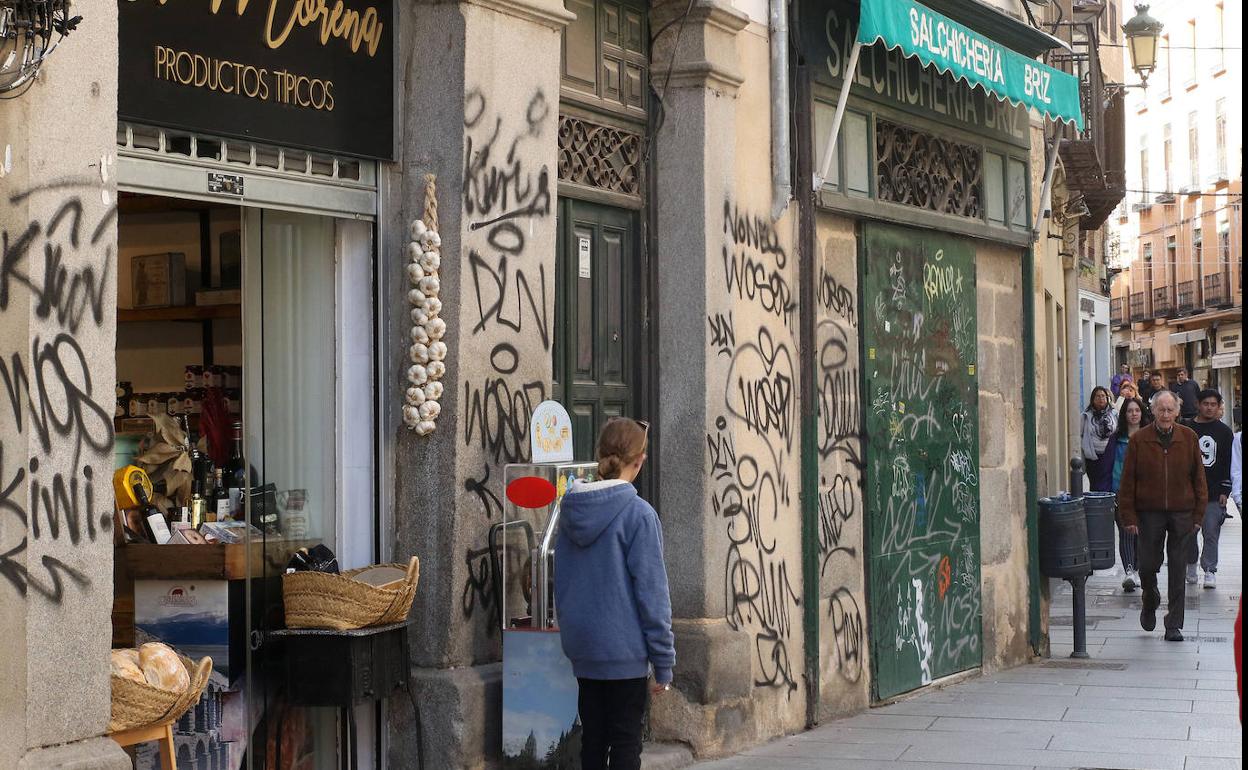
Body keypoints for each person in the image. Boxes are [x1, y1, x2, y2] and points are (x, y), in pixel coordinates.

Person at [554, 417, 674, 770]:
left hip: (585, 651)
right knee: (625, 743)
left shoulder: (570, 512)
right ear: (640, 460)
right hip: (624, 652)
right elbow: (653, 595)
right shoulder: (639, 516)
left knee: (593, 739)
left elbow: (562, 581)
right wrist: (663, 664)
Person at [1118, 390, 1208, 641]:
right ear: (1154, 411)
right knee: (1147, 564)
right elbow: (1127, 482)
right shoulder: (1139, 440)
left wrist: (1199, 514)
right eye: (1161, 410)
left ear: (1177, 412)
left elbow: (1199, 478)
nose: (1166, 414)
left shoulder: (1189, 437)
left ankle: (1173, 624)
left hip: (1182, 512)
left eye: (1170, 410)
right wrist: (1129, 516)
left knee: (1178, 567)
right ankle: (1150, 598)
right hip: (1149, 512)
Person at [1182, 390, 1235, 589]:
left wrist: (1225, 490)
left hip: (1213, 493)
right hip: (1188, 492)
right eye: (1206, 403)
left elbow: (1230, 462)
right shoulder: (1187, 428)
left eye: (1214, 404)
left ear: (1219, 405)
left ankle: (1210, 570)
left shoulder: (1224, 432)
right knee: (1188, 532)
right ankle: (1190, 565)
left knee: (1211, 532)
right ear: (1198, 404)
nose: (1210, 407)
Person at [1112, 397, 1146, 592]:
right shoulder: (1116, 439)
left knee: (1141, 533)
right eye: (1129, 411)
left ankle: (1138, 568)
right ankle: (1129, 571)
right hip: (1121, 491)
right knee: (1125, 531)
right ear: (1124, 415)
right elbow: (1111, 466)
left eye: (1137, 410)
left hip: (1144, 492)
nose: (1133, 414)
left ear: (1142, 413)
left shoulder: (1150, 436)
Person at [1081, 386, 1118, 492]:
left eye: (1103, 396)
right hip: (1093, 458)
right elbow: (1080, 434)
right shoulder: (1086, 416)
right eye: (1097, 396)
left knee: (1108, 483)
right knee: (1096, 485)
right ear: (1092, 399)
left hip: (1109, 455)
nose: (1101, 398)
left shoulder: (1114, 414)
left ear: (1107, 398)